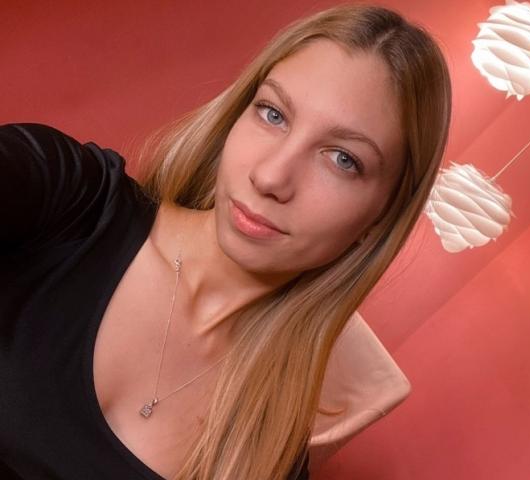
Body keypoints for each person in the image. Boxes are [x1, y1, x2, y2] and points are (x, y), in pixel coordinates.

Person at [0, 3, 451, 479]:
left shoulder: (267, 457)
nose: (271, 177)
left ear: (379, 221)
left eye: (342, 159)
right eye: (273, 113)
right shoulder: (67, 196)